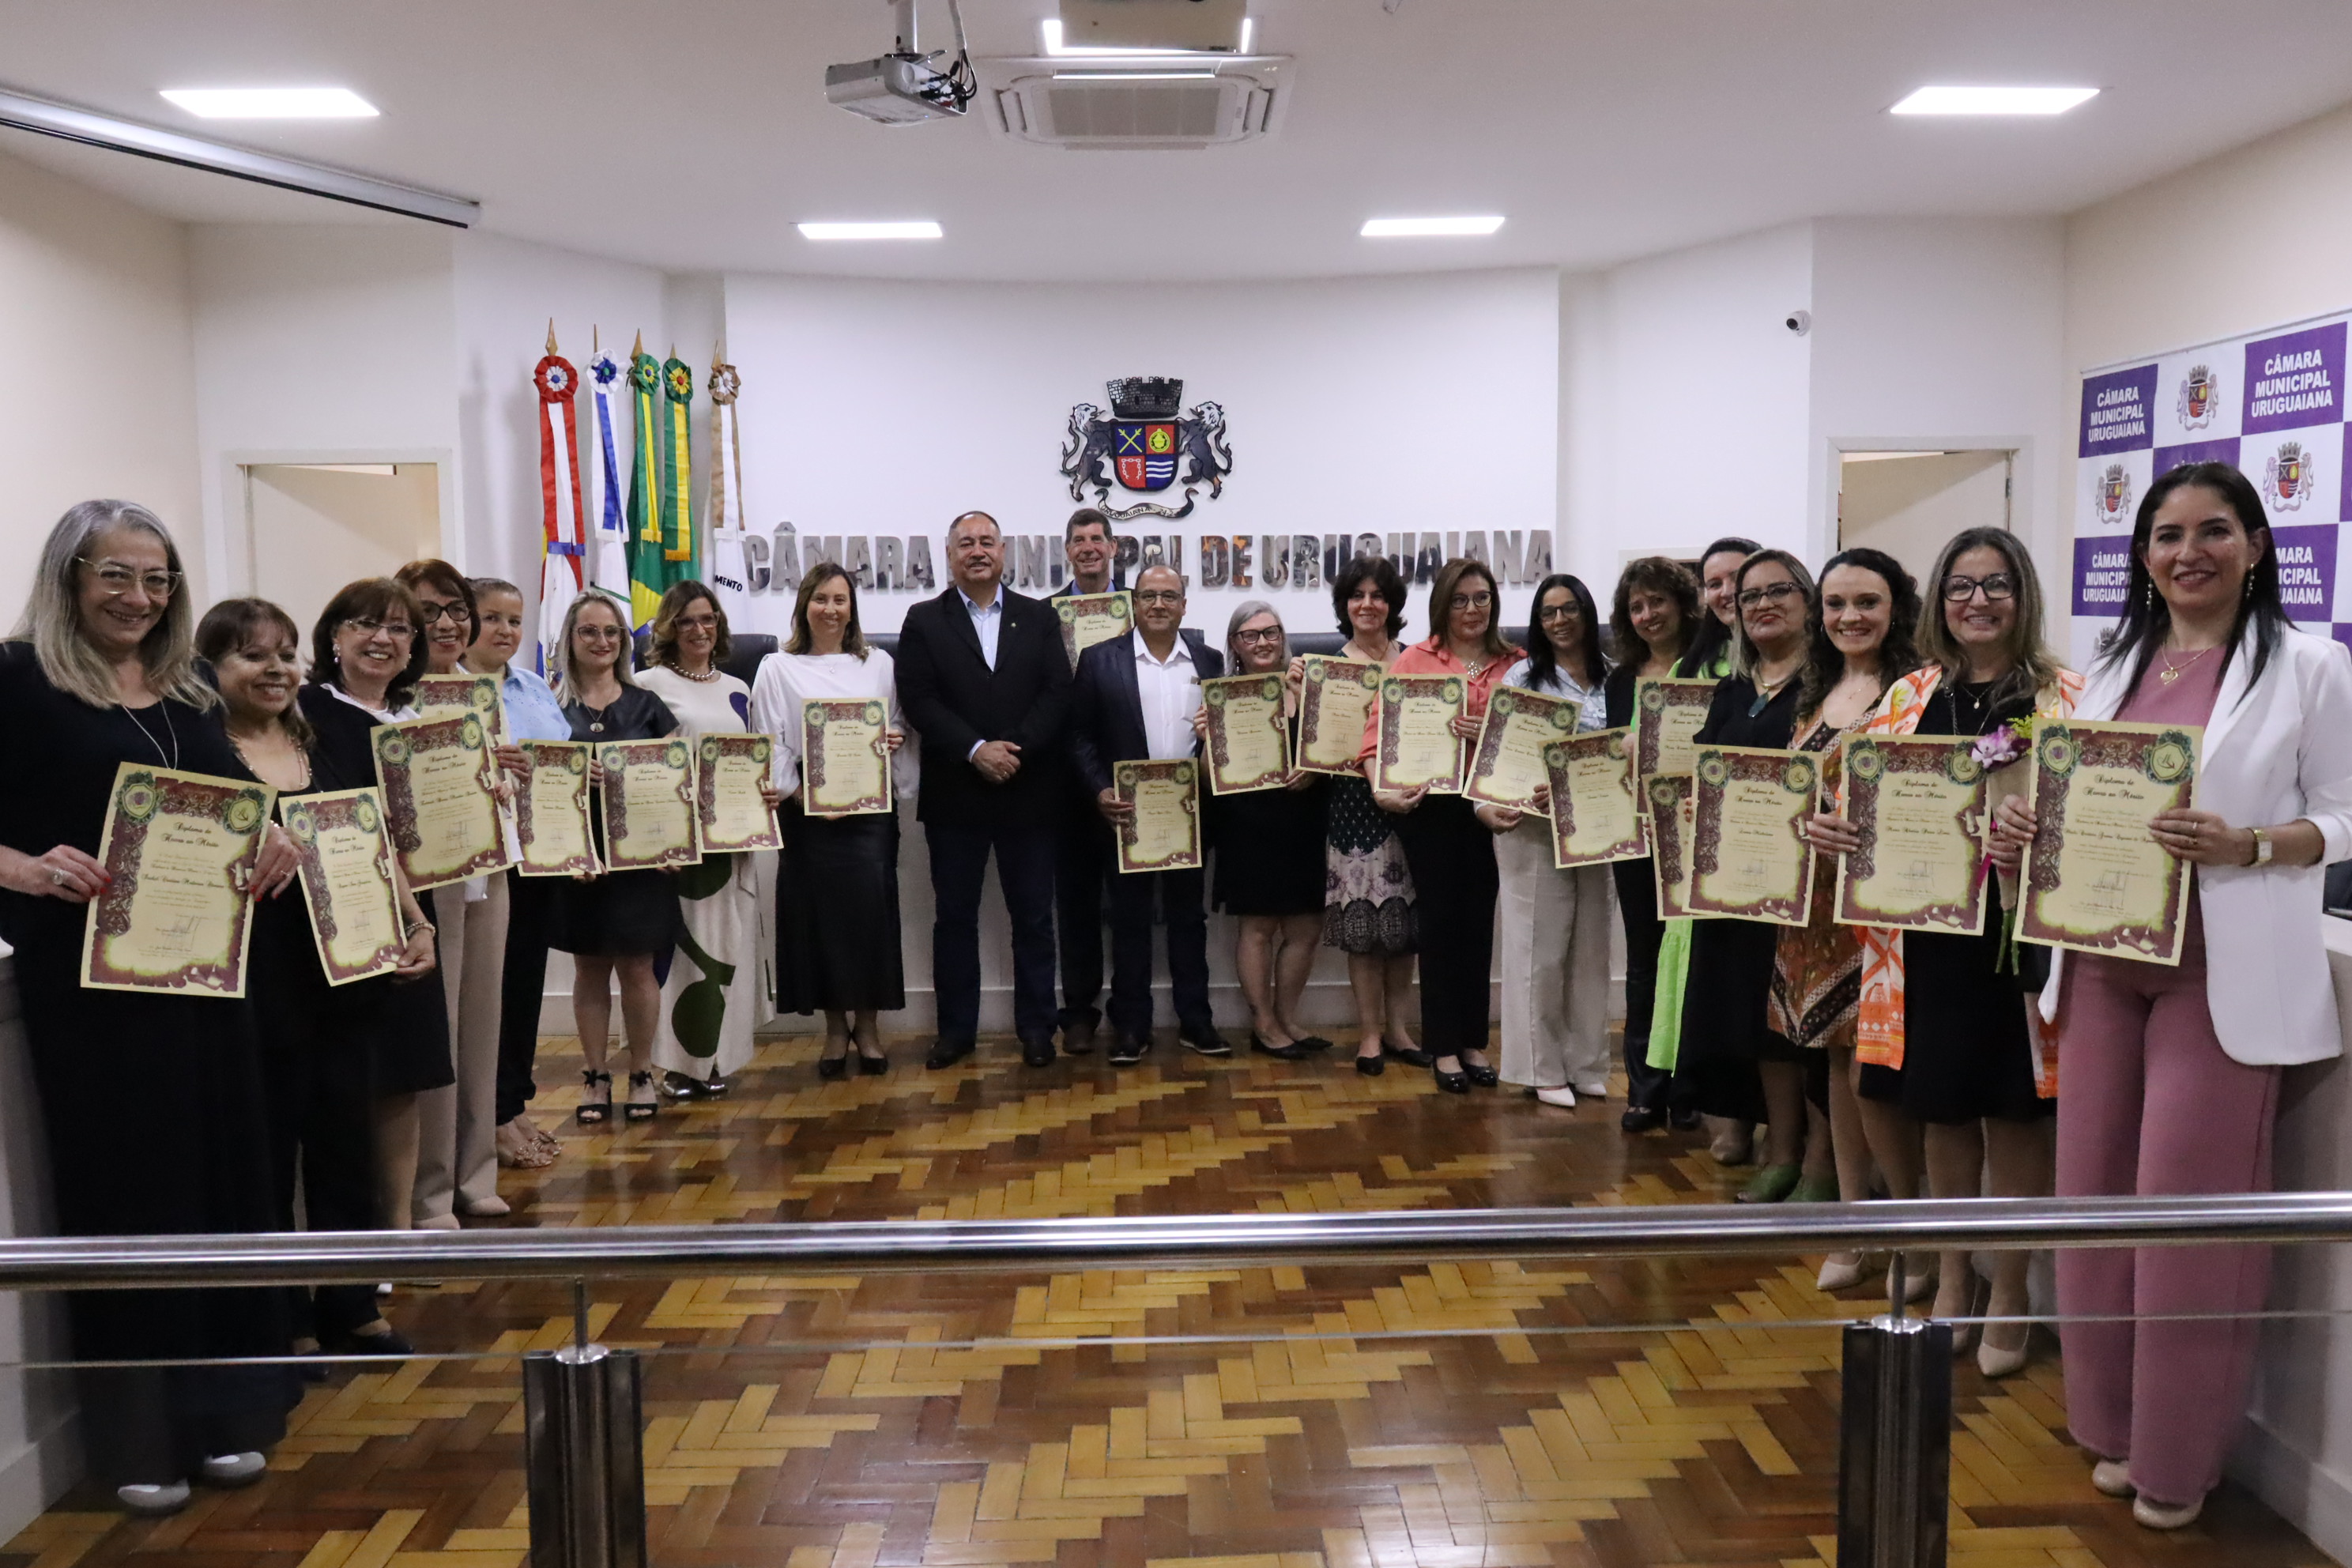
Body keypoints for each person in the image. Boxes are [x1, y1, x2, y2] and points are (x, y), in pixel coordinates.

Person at [1995, 464, 2352, 1527]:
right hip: (2100, 963)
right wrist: (2023, 828)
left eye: (2211, 532)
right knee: (2094, 1209)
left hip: (2220, 979)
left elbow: (2347, 814)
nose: (2186, 552)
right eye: (2165, 535)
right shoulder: (2109, 666)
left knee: (2188, 1219)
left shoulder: (2308, 666)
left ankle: (2176, 1462)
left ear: (2253, 544)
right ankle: (2109, 1426)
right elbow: (2070, 792)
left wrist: (2252, 842)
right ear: (2141, 554)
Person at [0, 500, 300, 1512]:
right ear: (70, 575)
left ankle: (224, 1417)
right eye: (116, 575)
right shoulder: (16, 679)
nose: (139, 596)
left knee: (221, 1188)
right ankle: (141, 1439)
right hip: (92, 999)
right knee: (130, 1202)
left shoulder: (185, 693)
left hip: (209, 990)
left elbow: (236, 811)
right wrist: (26, 868)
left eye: (158, 578)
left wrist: (277, 845)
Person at [1815, 527, 2077, 1380]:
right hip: (1925, 938)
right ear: (1940, 601)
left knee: (2019, 1110)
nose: (1977, 601)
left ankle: (2011, 1285)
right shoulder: (1908, 697)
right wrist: (1834, 831)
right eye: (1960, 586)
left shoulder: (2070, 697)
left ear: (2022, 594)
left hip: (2022, 942)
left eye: (1995, 583)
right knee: (1944, 1112)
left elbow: (2101, 826)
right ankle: (1955, 1271)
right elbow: (1850, 803)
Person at [198, 597, 436, 1360]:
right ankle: (284, 1313)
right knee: (268, 1154)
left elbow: (374, 838)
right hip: (256, 982)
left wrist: (417, 923)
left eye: (285, 653)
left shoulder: (327, 740)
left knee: (343, 1144)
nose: (274, 669)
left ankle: (352, 1304)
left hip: (348, 971)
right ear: (212, 668)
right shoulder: (200, 749)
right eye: (251, 655)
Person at [1764, 550, 1920, 1289]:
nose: (1850, 617)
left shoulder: (1918, 693)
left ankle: (1909, 1231)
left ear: (1898, 608)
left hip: (1882, 912)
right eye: (1835, 604)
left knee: (1874, 1072)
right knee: (1832, 1062)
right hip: (1812, 912)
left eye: (1867, 602)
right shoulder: (1814, 691)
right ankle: (1857, 1223)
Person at [299, 579, 455, 1245]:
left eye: (398, 629)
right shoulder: (306, 712)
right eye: (365, 624)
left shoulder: (417, 719)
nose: (382, 639)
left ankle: (398, 1231)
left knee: (403, 1076)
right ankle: (342, 1237)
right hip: (332, 915)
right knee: (339, 1083)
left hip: (411, 910)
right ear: (334, 635)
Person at [894, 511, 1073, 1069]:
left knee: (1035, 919)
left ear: (1004, 552)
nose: (977, 551)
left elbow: (1057, 694)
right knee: (954, 919)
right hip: (957, 794)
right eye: (965, 543)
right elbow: (919, 700)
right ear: (949, 555)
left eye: (986, 542)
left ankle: (1038, 1029)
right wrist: (976, 750)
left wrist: (1010, 750)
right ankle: (955, 1033)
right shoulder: (924, 621)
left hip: (1028, 789)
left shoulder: (1039, 618)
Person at [1673, 548, 1813, 1189]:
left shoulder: (1825, 689)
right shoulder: (1735, 688)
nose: (1761, 604)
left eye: (1778, 590)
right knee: (1746, 1017)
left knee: (1794, 1025)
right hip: (1732, 885)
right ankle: (1775, 1142)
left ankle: (1803, 1155)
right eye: (1751, 596)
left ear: (1807, 600)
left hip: (1801, 885)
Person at [749, 563, 914, 1075]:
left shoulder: (880, 664)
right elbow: (770, 738)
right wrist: (797, 794)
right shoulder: (777, 666)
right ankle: (834, 1029)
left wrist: (894, 738)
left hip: (868, 817)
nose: (831, 609)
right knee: (818, 924)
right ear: (804, 606)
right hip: (808, 818)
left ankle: (868, 1027)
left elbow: (902, 724)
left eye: (840, 600)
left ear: (852, 609)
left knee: (869, 921)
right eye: (821, 599)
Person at [1368, 558, 1520, 1092]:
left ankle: (1473, 1039)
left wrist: (1492, 731)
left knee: (1480, 926)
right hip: (1431, 810)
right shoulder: (1415, 660)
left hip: (1495, 809)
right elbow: (1375, 737)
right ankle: (1443, 1046)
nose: (1472, 609)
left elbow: (1533, 738)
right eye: (1461, 599)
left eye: (1481, 598)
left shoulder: (1516, 663)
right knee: (1439, 927)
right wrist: (1381, 789)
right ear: (1443, 605)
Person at [1069, 564, 1230, 1064]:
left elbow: (1223, 740)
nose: (1159, 604)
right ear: (1133, 604)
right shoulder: (1099, 660)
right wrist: (1098, 792)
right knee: (1129, 920)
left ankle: (1196, 1020)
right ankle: (1131, 1025)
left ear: (1185, 605)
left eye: (1169, 596)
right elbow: (1079, 737)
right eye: (1148, 596)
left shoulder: (1208, 659)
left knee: (1189, 919)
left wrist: (1212, 736)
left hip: (1188, 813)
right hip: (1126, 817)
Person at [393, 560, 509, 1227]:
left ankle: (475, 1171)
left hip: (486, 871)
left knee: (481, 1030)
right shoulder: (391, 693)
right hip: (423, 882)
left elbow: (500, 779)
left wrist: (510, 774)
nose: (447, 622)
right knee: (436, 1033)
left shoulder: (481, 690)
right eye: (430, 610)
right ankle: (430, 1192)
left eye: (457, 608)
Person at [639, 581, 781, 1098]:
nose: (699, 630)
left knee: (727, 947)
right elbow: (643, 765)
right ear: (669, 628)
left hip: (733, 843)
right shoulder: (647, 684)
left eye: (707, 619)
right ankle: (676, 1065)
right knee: (684, 953)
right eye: (686, 621)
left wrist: (765, 791)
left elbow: (761, 757)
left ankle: (714, 1058)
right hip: (682, 845)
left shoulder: (739, 688)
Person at [1478, 573, 1614, 1107]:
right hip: (1531, 828)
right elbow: (1495, 756)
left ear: (1586, 612)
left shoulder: (1615, 677)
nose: (1559, 621)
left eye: (1569, 609)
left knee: (1590, 952)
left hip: (1596, 830)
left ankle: (1586, 1063)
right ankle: (1540, 1068)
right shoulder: (1522, 678)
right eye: (1548, 613)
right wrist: (1489, 806)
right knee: (1539, 950)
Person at [1650, 536, 1765, 1163]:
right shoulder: (1688, 670)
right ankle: (1731, 1117)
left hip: (1765, 851)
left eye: (1737, 580)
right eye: (1714, 583)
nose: (1725, 594)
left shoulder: (1784, 665)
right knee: (1710, 986)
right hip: (1697, 847)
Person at [548, 590, 682, 1123]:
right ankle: (595, 1076)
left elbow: (678, 783)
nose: (601, 642)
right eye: (589, 632)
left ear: (624, 641)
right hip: (579, 861)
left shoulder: (647, 703)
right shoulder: (551, 706)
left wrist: (677, 843)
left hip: (643, 861)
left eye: (611, 632)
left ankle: (643, 1071)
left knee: (639, 968)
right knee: (589, 968)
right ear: (570, 640)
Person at [464, 579, 571, 1171]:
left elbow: (561, 763)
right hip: (484, 858)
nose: (505, 630)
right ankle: (492, 1115)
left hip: (541, 857)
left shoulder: (533, 686)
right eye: (491, 618)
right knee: (491, 991)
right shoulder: (448, 691)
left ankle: (514, 1100)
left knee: (525, 983)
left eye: (514, 620)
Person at [1203, 601, 1330, 1061]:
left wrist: (1315, 771)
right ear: (1235, 644)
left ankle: (1287, 1016)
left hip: (1304, 818)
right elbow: (1206, 778)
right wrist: (1207, 737)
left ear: (1283, 637)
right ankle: (1263, 1023)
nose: (1263, 642)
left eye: (1271, 632)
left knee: (1306, 925)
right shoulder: (1223, 695)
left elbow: (1334, 747)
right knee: (1257, 926)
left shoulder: (1309, 685)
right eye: (1251, 635)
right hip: (1248, 823)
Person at [1314, 556, 1427, 1076]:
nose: (1367, 604)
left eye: (1377, 595)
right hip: (1354, 810)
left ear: (1392, 604)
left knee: (1404, 931)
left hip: (1413, 807)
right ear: (1345, 605)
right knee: (1363, 930)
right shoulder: (1326, 668)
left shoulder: (1419, 661)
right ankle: (1369, 1034)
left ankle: (1401, 1029)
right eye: (1357, 595)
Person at [1602, 557, 1702, 1132]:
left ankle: (1688, 1087)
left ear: (1681, 604)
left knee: (1690, 961)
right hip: (1635, 836)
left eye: (1657, 601)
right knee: (1643, 960)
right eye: (1636, 606)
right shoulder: (1622, 680)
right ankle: (1644, 1089)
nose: (1647, 615)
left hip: (1695, 835)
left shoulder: (1712, 671)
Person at [1050, 507, 1120, 1054]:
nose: (1089, 546)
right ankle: (1078, 1011)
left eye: (1098, 538)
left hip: (1129, 778)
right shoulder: (1046, 616)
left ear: (1113, 548)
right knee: (1075, 905)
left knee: (1130, 904)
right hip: (1066, 782)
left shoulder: (1139, 611)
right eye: (1079, 540)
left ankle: (1131, 1008)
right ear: (1068, 551)